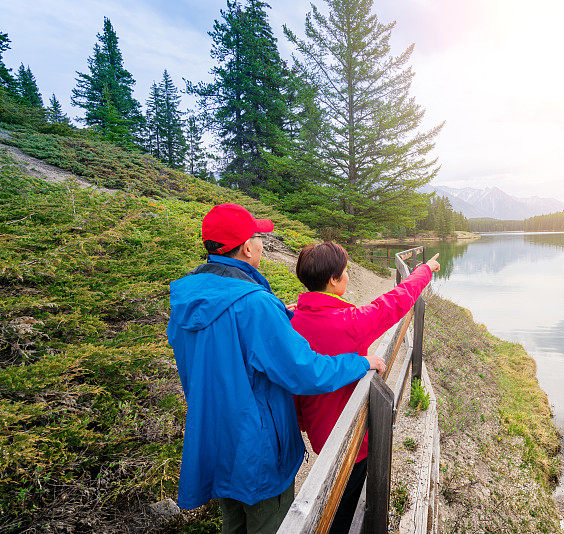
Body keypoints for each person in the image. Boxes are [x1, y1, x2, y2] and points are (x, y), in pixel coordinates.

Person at [167, 204, 386, 534]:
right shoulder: (254, 304)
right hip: (257, 448)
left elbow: (220, 348)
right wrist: (361, 362)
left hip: (214, 437)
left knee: (234, 523)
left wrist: (278, 315)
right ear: (247, 247)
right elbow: (307, 372)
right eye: (258, 236)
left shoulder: (188, 298)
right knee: (271, 522)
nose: (262, 243)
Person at [290, 242, 440, 532]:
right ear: (333, 280)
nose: (348, 276)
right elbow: (398, 299)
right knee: (344, 505)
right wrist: (425, 270)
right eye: (345, 271)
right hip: (351, 435)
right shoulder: (350, 321)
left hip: (317, 428)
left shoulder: (292, 320)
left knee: (338, 489)